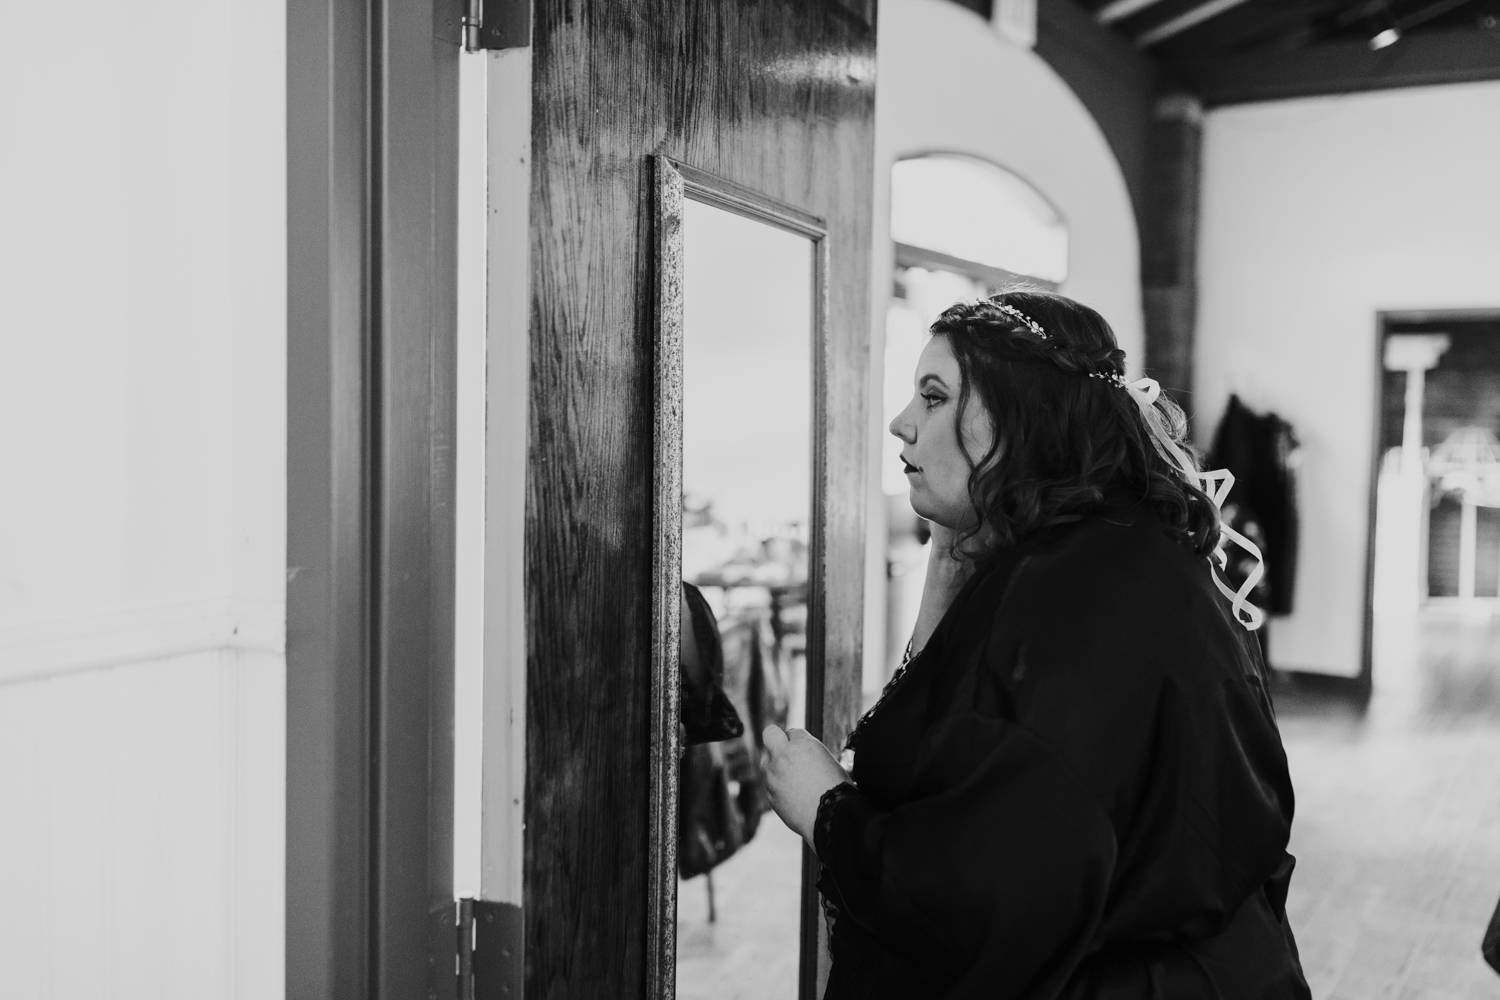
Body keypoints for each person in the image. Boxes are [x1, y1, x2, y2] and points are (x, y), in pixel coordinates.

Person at [761, 291, 1310, 998]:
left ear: (1018, 418)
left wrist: (826, 809)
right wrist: (949, 567)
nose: (901, 425)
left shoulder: (1064, 605)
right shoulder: (1123, 548)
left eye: (934, 398)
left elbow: (988, 895)